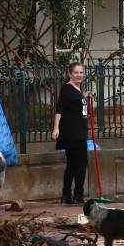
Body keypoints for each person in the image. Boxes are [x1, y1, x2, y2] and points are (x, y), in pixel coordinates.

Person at [51, 62, 89, 204]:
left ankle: (67, 195)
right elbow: (60, 109)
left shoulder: (77, 90)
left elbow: (77, 105)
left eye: (81, 72)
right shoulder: (67, 89)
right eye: (76, 72)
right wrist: (56, 128)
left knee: (73, 164)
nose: (79, 75)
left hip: (79, 131)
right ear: (70, 74)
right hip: (73, 132)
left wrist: (84, 97)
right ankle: (77, 195)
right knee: (81, 163)